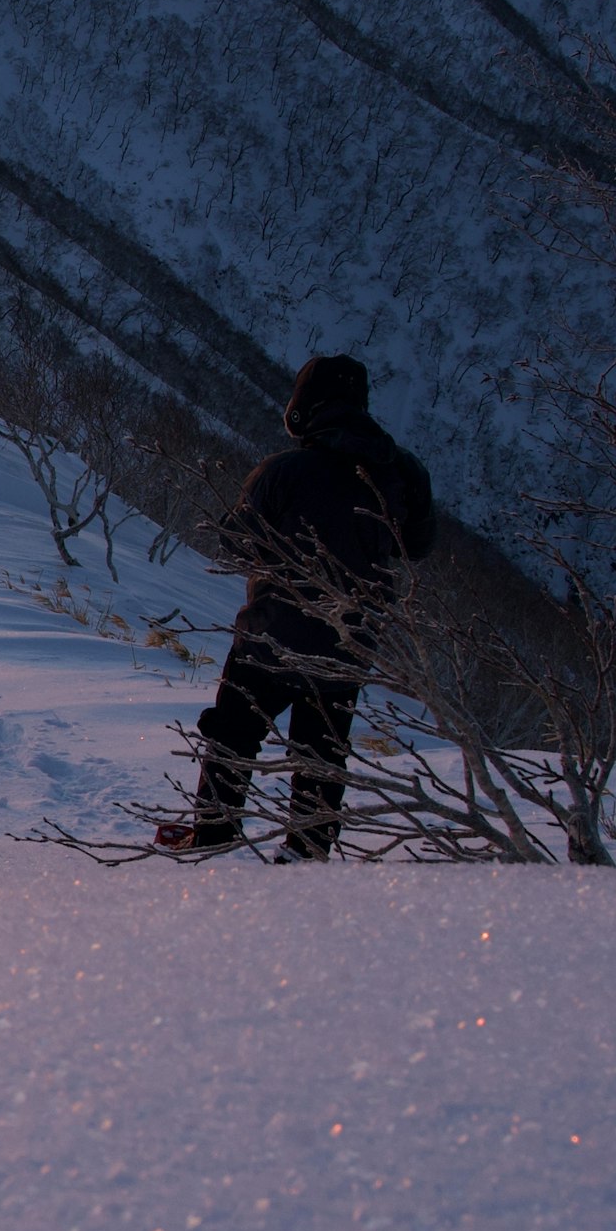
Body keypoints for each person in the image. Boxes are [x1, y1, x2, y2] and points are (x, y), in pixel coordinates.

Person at [158, 354, 436, 861]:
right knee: (322, 753)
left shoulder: (284, 471)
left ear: (303, 408)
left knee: (233, 738)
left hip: (269, 636)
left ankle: (214, 839)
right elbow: (415, 545)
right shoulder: (402, 473)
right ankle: (308, 855)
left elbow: (236, 544)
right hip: (349, 644)